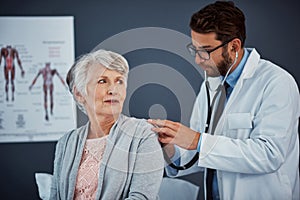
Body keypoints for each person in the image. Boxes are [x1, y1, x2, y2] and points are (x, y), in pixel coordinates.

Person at [148, 1, 300, 200]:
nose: (198, 60)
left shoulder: (277, 83)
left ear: (234, 46)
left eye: (205, 51)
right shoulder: (210, 84)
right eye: (195, 50)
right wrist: (169, 146)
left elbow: (269, 155)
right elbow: (199, 153)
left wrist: (197, 140)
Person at [50, 49, 164, 199]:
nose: (113, 90)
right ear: (79, 94)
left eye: (119, 81)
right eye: (102, 81)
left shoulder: (143, 134)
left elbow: (143, 197)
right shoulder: (66, 143)